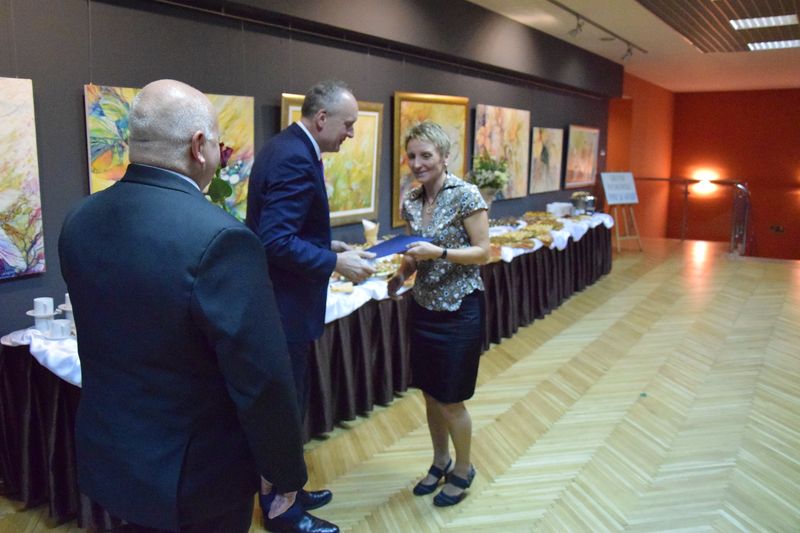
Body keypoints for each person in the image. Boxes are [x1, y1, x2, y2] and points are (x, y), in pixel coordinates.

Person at [58, 80, 308, 532]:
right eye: (217, 144)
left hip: (111, 454)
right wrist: (283, 469)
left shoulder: (80, 219)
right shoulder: (221, 239)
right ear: (198, 146)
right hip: (197, 475)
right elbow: (261, 377)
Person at [246, 80, 374, 532]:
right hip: (284, 311)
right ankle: (281, 511)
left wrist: (327, 245)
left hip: (282, 305)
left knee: (288, 405)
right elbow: (274, 241)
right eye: (348, 124)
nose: (351, 134)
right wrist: (336, 263)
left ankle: (290, 489)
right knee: (283, 411)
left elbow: (284, 231)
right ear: (322, 118)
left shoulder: (284, 146)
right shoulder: (296, 158)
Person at [388, 121, 490, 507]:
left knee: (451, 400)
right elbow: (416, 253)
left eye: (426, 155)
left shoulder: (466, 195)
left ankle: (463, 469)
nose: (417, 163)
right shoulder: (411, 200)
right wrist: (402, 274)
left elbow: (483, 252)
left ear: (445, 157)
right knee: (430, 395)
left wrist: (441, 253)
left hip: (460, 310)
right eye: (412, 156)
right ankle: (440, 461)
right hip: (423, 307)